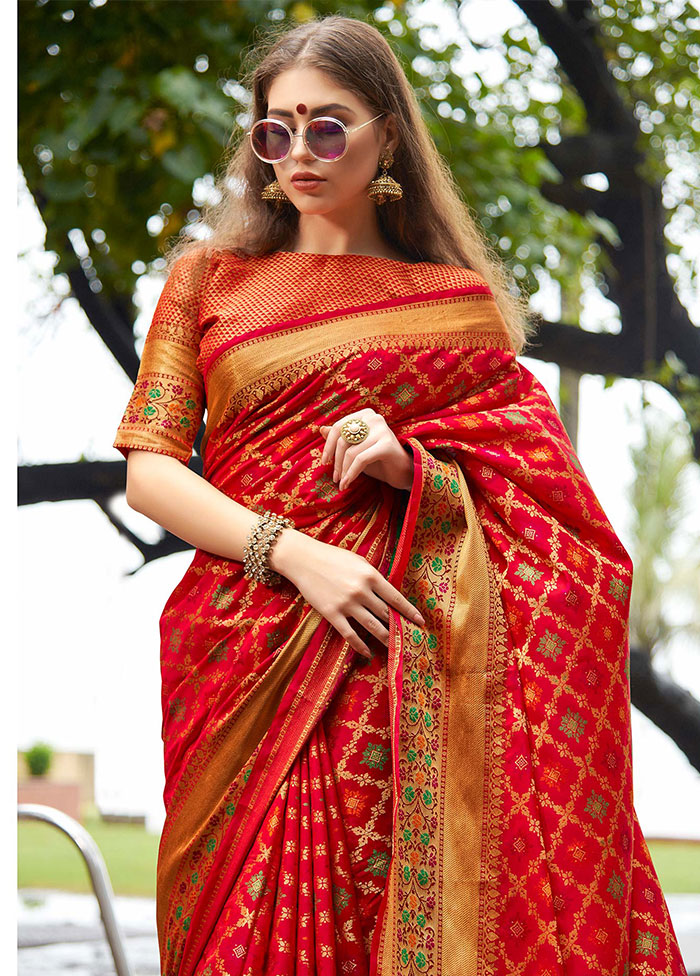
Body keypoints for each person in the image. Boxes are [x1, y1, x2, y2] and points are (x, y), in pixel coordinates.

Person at [112, 14, 687, 976]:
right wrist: (293, 552)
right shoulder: (208, 281)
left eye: (328, 126)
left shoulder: (454, 305)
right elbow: (151, 471)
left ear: (386, 133)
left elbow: (564, 532)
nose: (298, 151)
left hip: (402, 674)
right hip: (243, 658)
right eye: (275, 128)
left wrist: (413, 468)